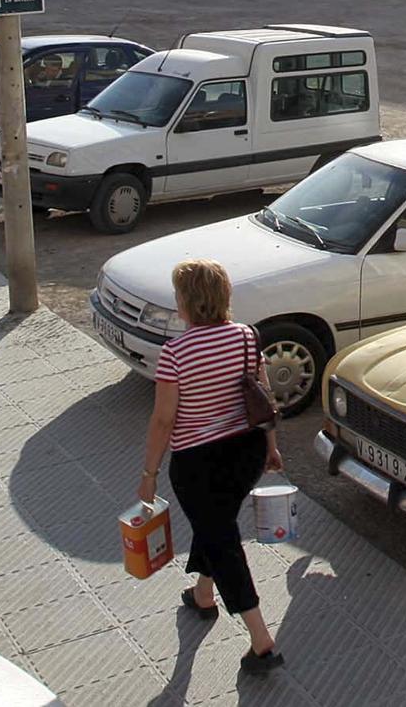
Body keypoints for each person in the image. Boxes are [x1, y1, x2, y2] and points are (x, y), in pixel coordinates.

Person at [138, 259, 283, 676]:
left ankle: (261, 640)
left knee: (222, 540)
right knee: (215, 523)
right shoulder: (246, 338)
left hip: (198, 464)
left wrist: (148, 475)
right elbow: (263, 398)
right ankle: (203, 594)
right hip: (246, 454)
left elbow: (164, 420)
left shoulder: (175, 353)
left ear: (186, 301)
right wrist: (271, 447)